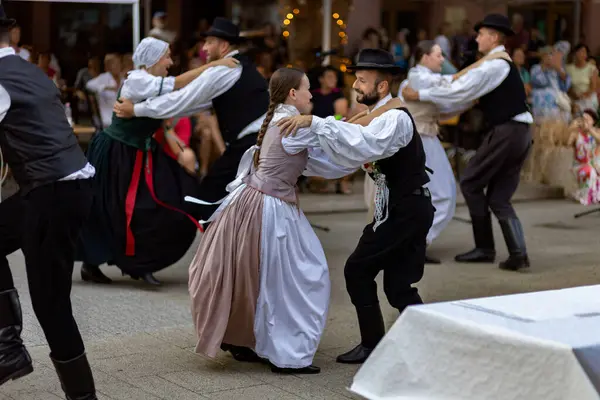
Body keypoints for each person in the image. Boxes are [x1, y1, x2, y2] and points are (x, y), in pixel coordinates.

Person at [187, 67, 356, 374]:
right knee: (297, 277)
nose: (311, 94)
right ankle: (287, 353)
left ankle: (249, 339)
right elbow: (335, 152)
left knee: (264, 276)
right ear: (292, 94)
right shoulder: (294, 125)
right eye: (307, 88)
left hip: (256, 203)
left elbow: (321, 160)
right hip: (269, 207)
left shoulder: (278, 118)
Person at [278, 48, 435, 364]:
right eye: (356, 80)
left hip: (404, 209)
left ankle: (373, 344)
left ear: (381, 86)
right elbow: (350, 150)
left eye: (362, 81)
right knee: (398, 285)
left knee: (357, 270)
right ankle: (428, 341)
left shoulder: (394, 118)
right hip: (404, 208)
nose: (356, 86)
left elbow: (362, 144)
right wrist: (296, 161)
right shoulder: (377, 115)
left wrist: (317, 123)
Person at [77, 37, 239, 286]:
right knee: (109, 208)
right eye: (167, 56)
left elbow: (180, 99)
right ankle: (100, 262)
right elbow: (179, 83)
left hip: (141, 153)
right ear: (153, 59)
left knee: (171, 199)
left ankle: (142, 262)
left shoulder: (150, 83)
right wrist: (214, 67)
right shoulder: (138, 79)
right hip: (117, 152)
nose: (171, 62)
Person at [0, 7, 98, 398]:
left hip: (53, 192)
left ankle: (80, 395)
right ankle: (6, 346)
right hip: (60, 187)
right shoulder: (29, 71)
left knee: (51, 303)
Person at [403, 14, 533, 272]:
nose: (476, 38)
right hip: (519, 131)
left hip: (508, 130)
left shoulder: (494, 65)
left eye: (481, 34)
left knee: (472, 181)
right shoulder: (494, 63)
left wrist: (419, 94)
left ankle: (485, 249)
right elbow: (462, 90)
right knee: (499, 196)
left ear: (494, 37)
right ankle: (518, 254)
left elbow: (459, 90)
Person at [114, 17, 270, 222]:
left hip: (250, 145)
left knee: (207, 200)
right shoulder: (234, 67)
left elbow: (182, 101)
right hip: (256, 143)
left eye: (209, 42)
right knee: (221, 200)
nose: (204, 48)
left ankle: (222, 247)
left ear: (223, 46)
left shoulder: (224, 69)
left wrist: (135, 109)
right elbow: (194, 103)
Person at [398, 41, 459, 263]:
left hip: (425, 140)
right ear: (424, 57)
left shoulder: (421, 81)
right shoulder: (417, 77)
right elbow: (446, 85)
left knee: (432, 195)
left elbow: (443, 106)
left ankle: (414, 241)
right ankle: (415, 243)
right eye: (438, 55)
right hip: (420, 142)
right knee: (443, 194)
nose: (442, 60)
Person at [567, 109, 600, 205]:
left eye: (587, 119)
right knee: (589, 171)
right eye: (583, 119)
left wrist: (589, 129)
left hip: (595, 164)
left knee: (595, 169)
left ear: (593, 122)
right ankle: (586, 196)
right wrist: (571, 129)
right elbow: (567, 144)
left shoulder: (596, 131)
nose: (585, 122)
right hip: (580, 166)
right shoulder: (576, 134)